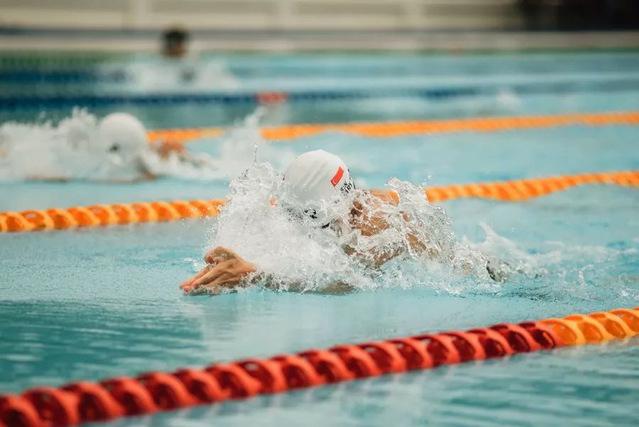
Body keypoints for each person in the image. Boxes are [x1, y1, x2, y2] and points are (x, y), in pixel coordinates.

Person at [180, 150, 509, 295]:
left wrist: (257, 274)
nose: (305, 224)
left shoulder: (378, 223)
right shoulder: (312, 203)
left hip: (478, 273)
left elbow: (342, 282)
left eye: (313, 218)